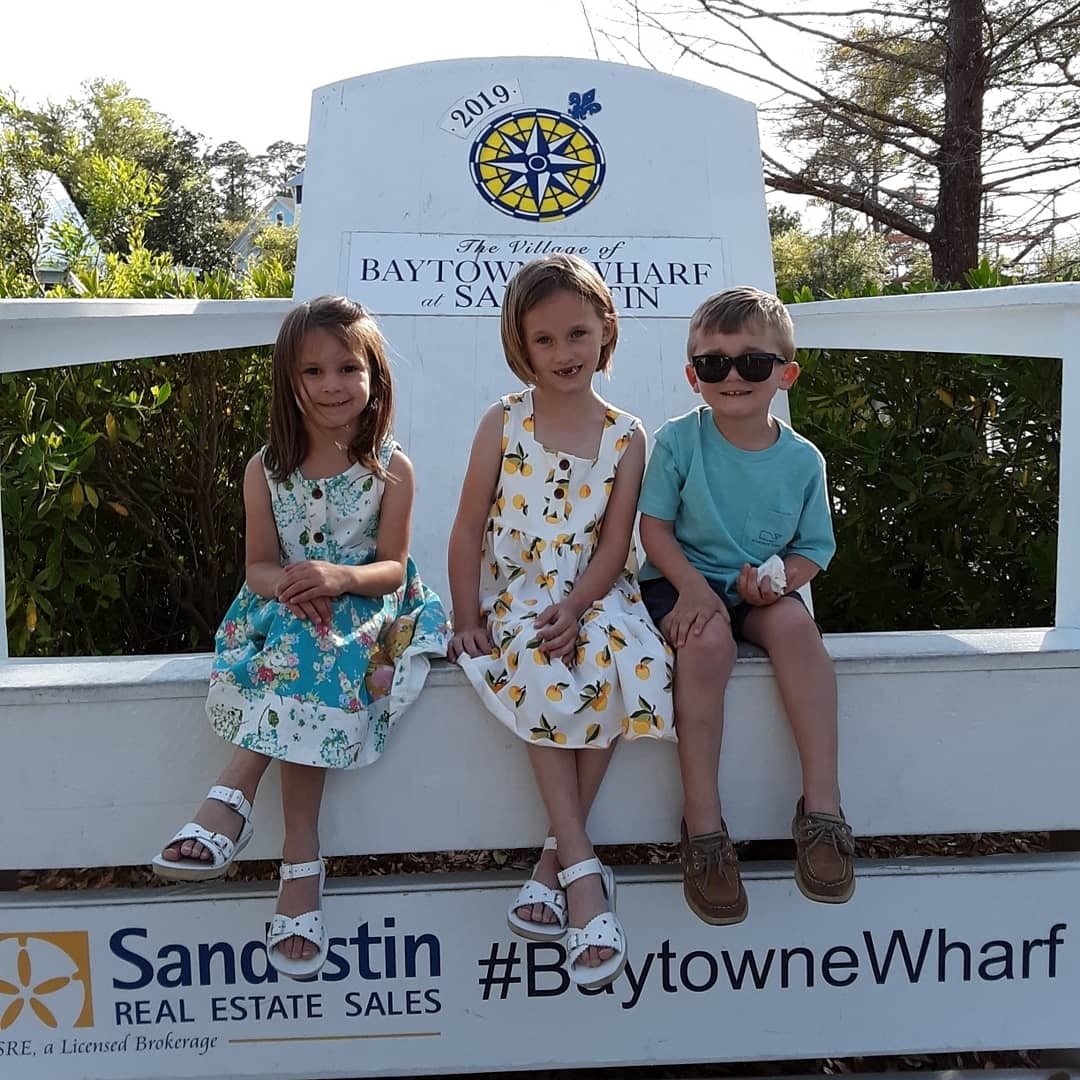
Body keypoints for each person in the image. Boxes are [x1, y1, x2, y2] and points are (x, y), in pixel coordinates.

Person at [152, 295, 449, 979]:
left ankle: (231, 796)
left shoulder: (390, 467)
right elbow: (257, 564)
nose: (332, 386)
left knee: (316, 645)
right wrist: (293, 583)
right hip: (285, 610)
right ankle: (301, 862)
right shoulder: (266, 468)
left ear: (375, 376)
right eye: (313, 372)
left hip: (369, 608)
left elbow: (391, 567)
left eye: (349, 368)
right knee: (303, 641)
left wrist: (335, 578)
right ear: (290, 380)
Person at [447, 254, 673, 990]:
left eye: (578, 333)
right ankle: (583, 873)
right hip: (518, 595)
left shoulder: (626, 435)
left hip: (597, 591)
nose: (564, 353)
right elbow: (466, 525)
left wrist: (580, 606)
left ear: (606, 330)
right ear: (521, 344)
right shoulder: (503, 420)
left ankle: (554, 861)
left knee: (623, 658)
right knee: (541, 661)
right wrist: (468, 613)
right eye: (544, 340)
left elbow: (616, 544)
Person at [637, 286, 854, 927]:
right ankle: (704, 828)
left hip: (760, 591)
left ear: (784, 375)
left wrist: (782, 579)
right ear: (693, 376)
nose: (733, 376)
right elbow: (654, 530)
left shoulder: (802, 460)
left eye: (753, 363)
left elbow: (813, 549)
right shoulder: (679, 442)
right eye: (714, 364)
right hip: (681, 581)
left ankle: (823, 809)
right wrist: (698, 590)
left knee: (796, 630)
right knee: (708, 646)